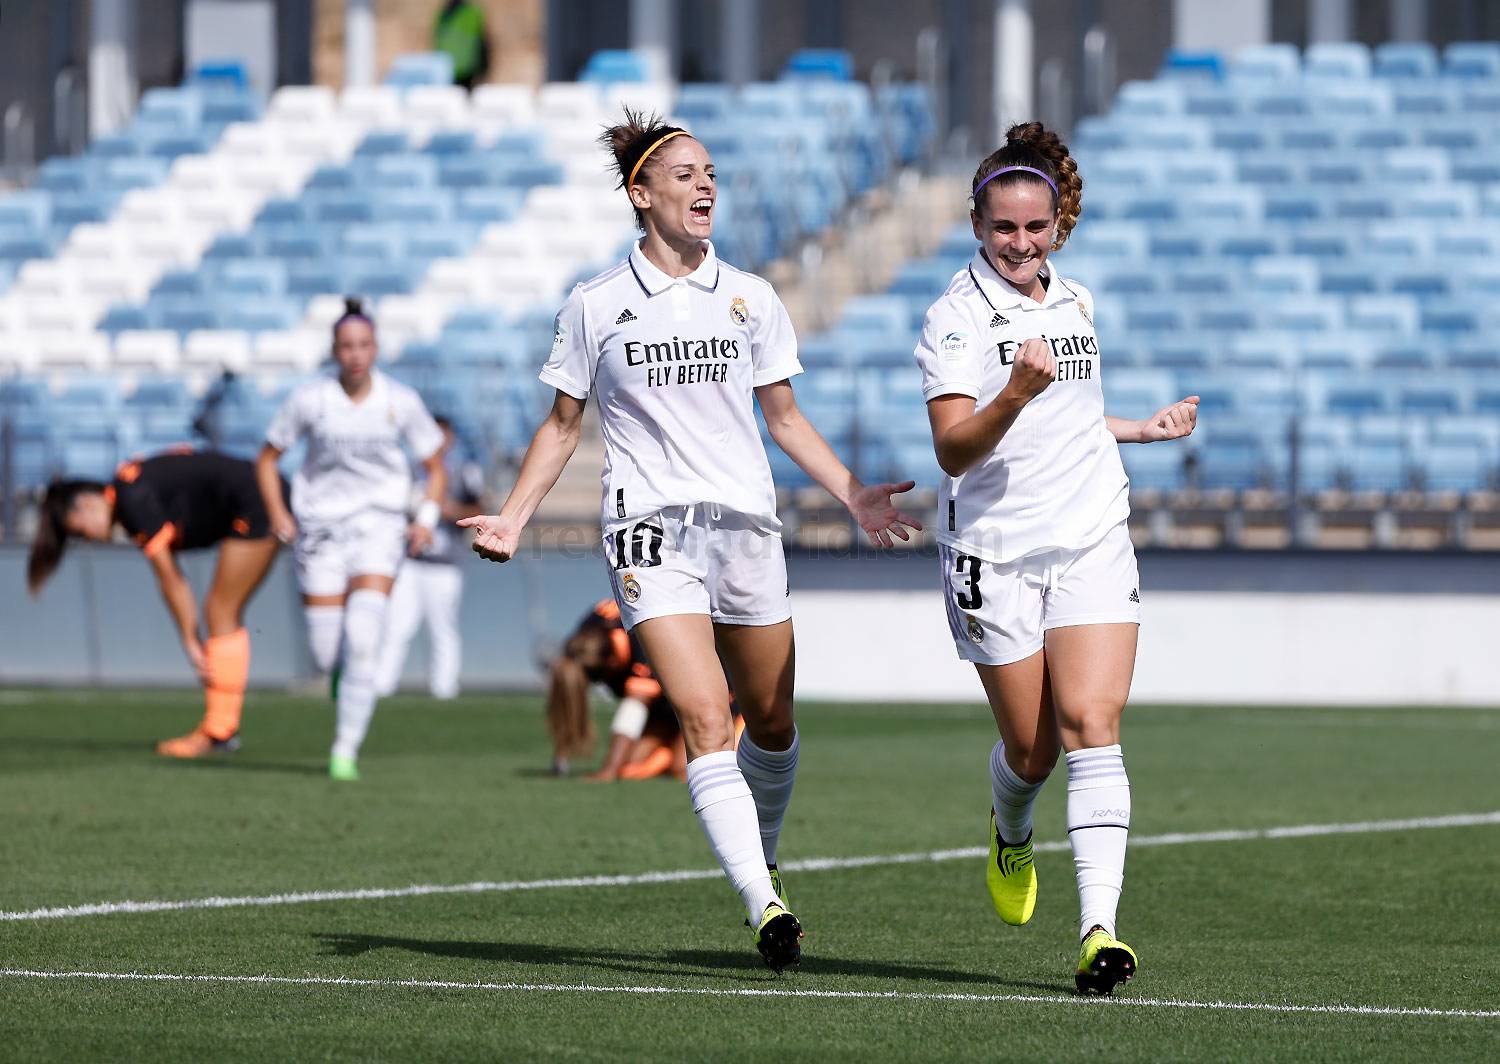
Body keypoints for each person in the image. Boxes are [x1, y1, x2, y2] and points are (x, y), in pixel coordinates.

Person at [460, 110, 920, 972]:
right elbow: (563, 426)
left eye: (711, 174)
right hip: (648, 529)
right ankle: (765, 906)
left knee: (773, 723)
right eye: (685, 175)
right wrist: (515, 515)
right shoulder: (595, 304)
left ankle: (763, 853)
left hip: (745, 525)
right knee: (707, 717)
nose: (705, 186)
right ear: (641, 193)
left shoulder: (753, 297)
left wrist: (853, 493)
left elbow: (783, 418)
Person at [915, 121, 1200, 995]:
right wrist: (1014, 391)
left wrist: (1136, 429)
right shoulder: (954, 319)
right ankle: (1010, 827)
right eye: (1004, 228)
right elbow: (955, 450)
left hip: (1089, 533)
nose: (1020, 243)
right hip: (994, 551)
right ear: (978, 224)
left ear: (1058, 228)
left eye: (1035, 228)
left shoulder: (1073, 301)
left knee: (1091, 726)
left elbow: (1069, 417)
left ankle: (1099, 933)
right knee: (1032, 752)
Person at [256, 297, 447, 782]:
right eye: (346, 346)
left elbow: (434, 466)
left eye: (364, 345)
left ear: (375, 348)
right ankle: (342, 675)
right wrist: (279, 514)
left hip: (379, 528)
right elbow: (266, 457)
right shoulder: (310, 399)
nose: (356, 354)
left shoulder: (399, 401)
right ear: (334, 351)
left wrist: (423, 518)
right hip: (321, 530)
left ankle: (345, 750)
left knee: (363, 640)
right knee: (326, 653)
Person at [26, 450, 281, 756]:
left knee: (221, 609)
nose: (90, 538)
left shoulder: (132, 499)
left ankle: (219, 731)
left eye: (81, 531)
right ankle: (221, 730)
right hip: (263, 492)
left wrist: (189, 639)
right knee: (224, 609)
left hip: (257, 499)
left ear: (87, 503)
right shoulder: (132, 488)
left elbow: (171, 578)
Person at [548, 598, 739, 782]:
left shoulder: (642, 639)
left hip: (718, 697)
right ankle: (669, 744)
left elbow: (633, 710)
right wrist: (561, 757)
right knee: (631, 765)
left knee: (686, 768)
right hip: (665, 707)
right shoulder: (585, 637)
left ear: (613, 662)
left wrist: (609, 770)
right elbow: (568, 694)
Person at [374, 416, 485, 701]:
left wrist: (448, 508)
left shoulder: (464, 471)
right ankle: (382, 684)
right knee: (398, 624)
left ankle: (444, 687)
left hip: (445, 563)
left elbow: (479, 508)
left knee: (442, 626)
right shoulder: (409, 470)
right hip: (410, 560)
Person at [433, 0, 490, 91]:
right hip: (461, 69)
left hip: (454, 69)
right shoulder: (472, 13)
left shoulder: (443, 14)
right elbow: (483, 43)